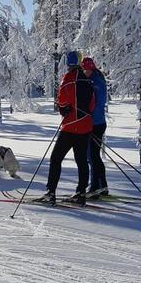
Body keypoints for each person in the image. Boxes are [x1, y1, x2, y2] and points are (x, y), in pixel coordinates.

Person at [39, 51, 95, 206]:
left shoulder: (68, 79)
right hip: (85, 126)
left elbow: (62, 100)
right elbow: (92, 105)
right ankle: (81, 193)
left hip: (70, 127)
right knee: (82, 161)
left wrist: (63, 108)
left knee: (56, 159)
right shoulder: (87, 80)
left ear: (68, 63)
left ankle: (51, 193)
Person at [83, 57, 109, 198]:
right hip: (94, 122)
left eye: (85, 69)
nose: (84, 72)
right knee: (93, 156)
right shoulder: (92, 79)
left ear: (91, 69)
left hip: (96, 123)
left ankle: (95, 187)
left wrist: (88, 114)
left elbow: (99, 103)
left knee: (92, 156)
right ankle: (102, 186)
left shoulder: (97, 81)